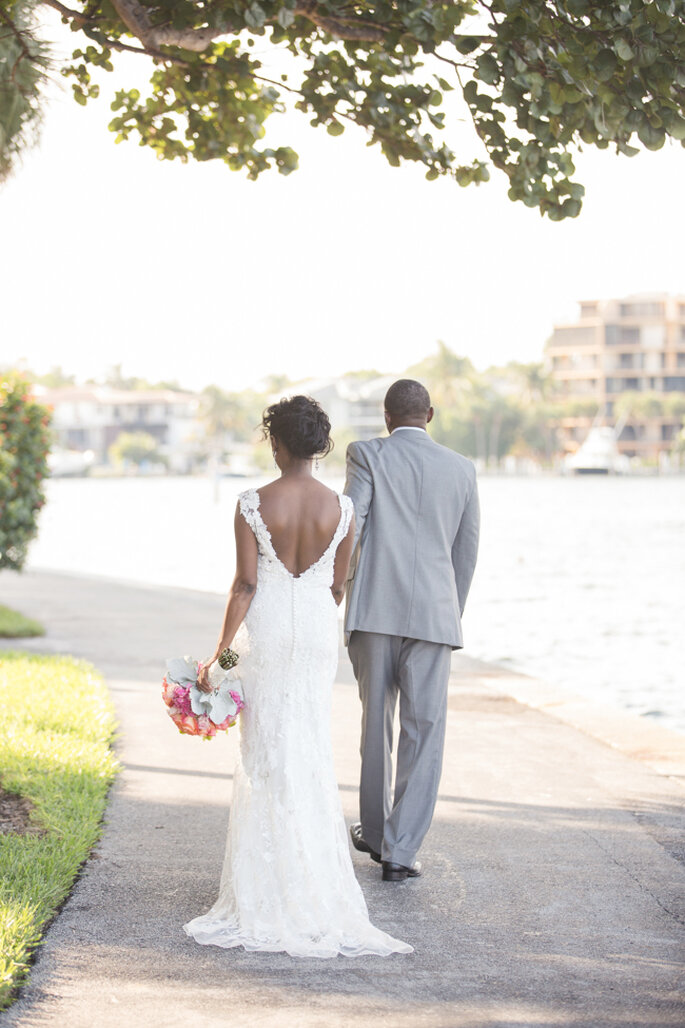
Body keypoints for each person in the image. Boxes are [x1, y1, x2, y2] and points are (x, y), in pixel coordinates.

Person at [184, 395, 412, 959]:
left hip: (262, 633)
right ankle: (313, 882)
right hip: (314, 634)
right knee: (307, 746)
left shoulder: (251, 503)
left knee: (265, 752)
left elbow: (244, 587)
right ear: (320, 445)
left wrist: (217, 660)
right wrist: (309, 605)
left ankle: (268, 882)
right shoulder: (345, 509)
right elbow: (338, 586)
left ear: (277, 443)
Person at [344, 379, 480, 883]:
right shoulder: (463, 469)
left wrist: (337, 587)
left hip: (374, 612)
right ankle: (400, 853)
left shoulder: (366, 455)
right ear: (431, 414)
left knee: (375, 726)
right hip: (434, 619)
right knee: (424, 734)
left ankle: (376, 836)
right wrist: (448, 614)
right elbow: (466, 553)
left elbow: (350, 521)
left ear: (386, 416)